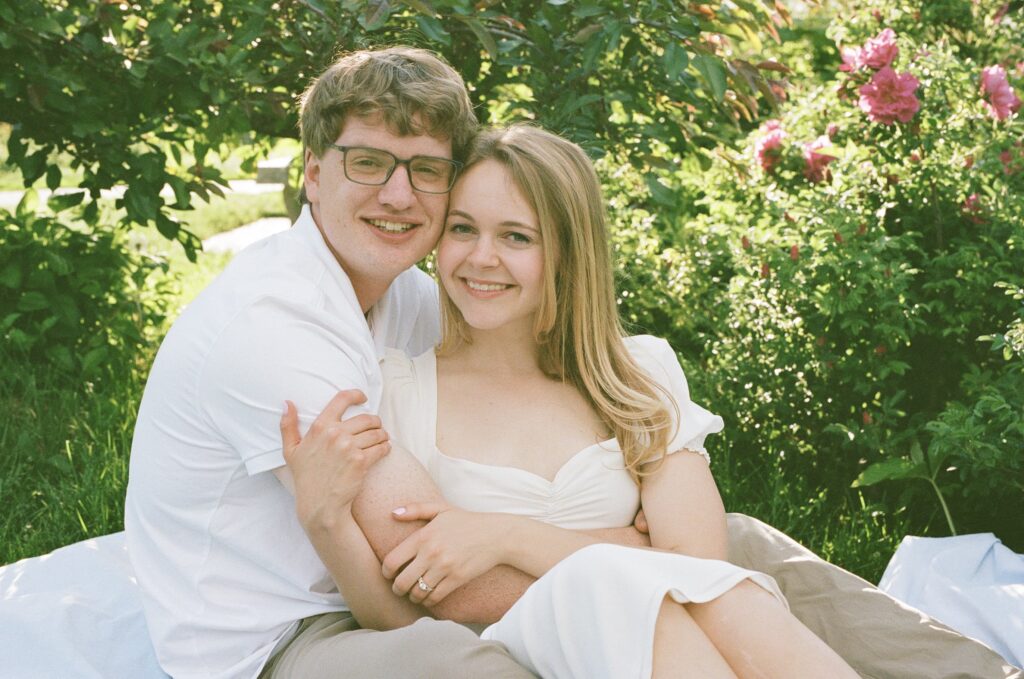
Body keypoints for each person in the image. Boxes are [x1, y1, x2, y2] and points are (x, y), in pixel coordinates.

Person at [278, 124, 861, 678]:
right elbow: (407, 609)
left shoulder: (634, 375)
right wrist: (637, 547)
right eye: (461, 229)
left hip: (672, 635)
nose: (481, 257)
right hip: (512, 656)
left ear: (567, 250)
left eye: (516, 236)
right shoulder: (400, 392)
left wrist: (503, 536)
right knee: (628, 595)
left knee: (715, 594)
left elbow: (699, 563)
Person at [123, 47, 536, 679]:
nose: (399, 195)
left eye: (427, 169)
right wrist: (649, 561)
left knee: (738, 545)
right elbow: (440, 582)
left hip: (371, 597)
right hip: (279, 637)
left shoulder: (410, 294)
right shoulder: (271, 328)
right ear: (314, 173)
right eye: (368, 163)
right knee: (468, 671)